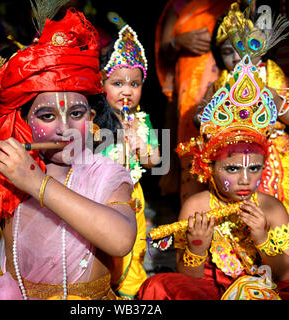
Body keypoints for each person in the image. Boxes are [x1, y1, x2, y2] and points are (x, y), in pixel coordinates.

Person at [0, 7, 137, 300]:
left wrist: (37, 184)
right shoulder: (5, 179)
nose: (65, 129)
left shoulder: (105, 173)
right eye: (47, 117)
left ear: (92, 119)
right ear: (23, 124)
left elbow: (121, 239)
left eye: (76, 113)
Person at [138, 12, 289, 299]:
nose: (246, 179)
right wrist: (197, 245)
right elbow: (189, 278)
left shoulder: (272, 208)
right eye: (233, 169)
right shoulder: (197, 205)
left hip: (266, 289)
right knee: (158, 286)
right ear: (208, 166)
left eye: (256, 168)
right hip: (213, 290)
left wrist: (263, 239)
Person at [196, 2, 289, 227]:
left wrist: (275, 100)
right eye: (228, 52)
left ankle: (276, 252)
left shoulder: (273, 74)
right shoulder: (221, 82)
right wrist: (208, 117)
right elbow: (199, 117)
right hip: (234, 160)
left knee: (279, 213)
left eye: (244, 50)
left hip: (276, 159)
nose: (236, 58)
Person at [99, 21, 160, 299]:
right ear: (101, 84)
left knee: (134, 244)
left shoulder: (142, 120)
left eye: (134, 84)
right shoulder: (93, 121)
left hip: (133, 194)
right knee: (101, 244)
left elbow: (154, 160)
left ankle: (130, 290)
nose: (127, 91)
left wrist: (140, 146)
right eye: (117, 83)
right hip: (100, 194)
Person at [155, 0, 233, 202]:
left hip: (224, 82)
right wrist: (178, 42)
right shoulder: (178, 4)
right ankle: (192, 210)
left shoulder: (233, 4)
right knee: (190, 149)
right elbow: (164, 51)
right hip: (188, 86)